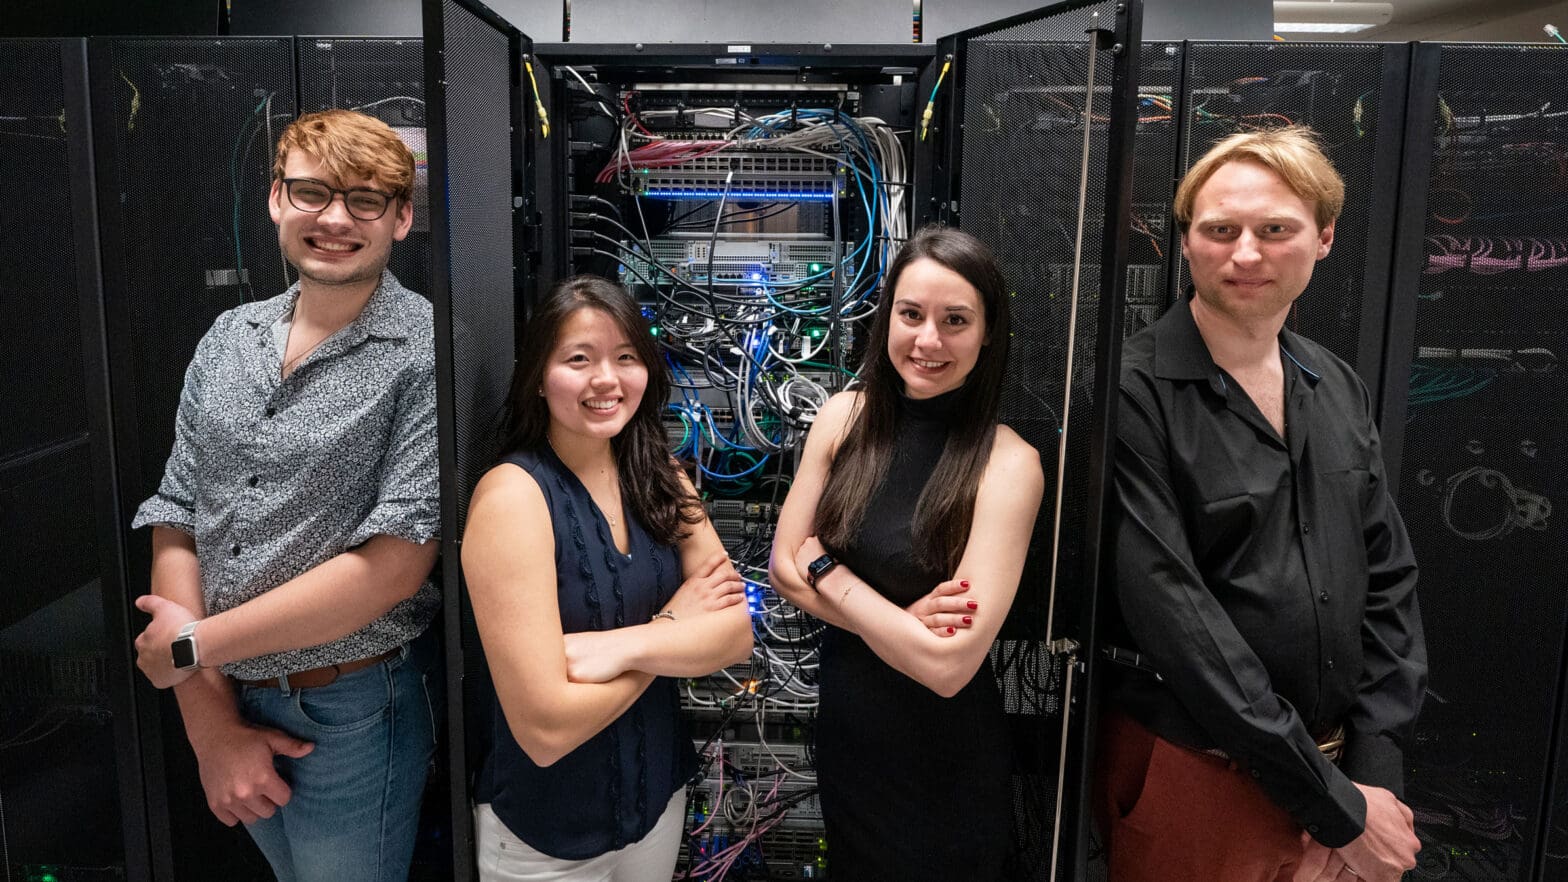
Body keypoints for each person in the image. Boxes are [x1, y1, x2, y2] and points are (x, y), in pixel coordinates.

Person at [1096, 125, 1426, 882]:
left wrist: (1372, 770)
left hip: (1346, 769)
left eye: (1275, 230)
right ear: (1186, 242)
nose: (1246, 253)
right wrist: (1334, 807)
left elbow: (1389, 575)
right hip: (1198, 772)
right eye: (1221, 230)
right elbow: (1178, 620)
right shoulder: (1131, 391)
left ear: (1324, 238)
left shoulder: (1336, 384)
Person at [129, 108, 441, 881]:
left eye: (365, 200)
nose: (335, 218)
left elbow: (393, 568)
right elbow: (178, 516)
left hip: (348, 708)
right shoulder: (228, 337)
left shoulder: (430, 352)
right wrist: (209, 723)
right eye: (312, 193)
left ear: (401, 219)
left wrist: (190, 649)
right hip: (225, 696)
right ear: (276, 200)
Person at [769, 225, 1045, 881]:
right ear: (886, 316)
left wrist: (829, 574)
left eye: (956, 321)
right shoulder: (843, 418)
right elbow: (784, 564)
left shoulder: (1008, 464)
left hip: (946, 762)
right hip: (851, 742)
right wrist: (902, 625)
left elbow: (948, 667)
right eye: (912, 314)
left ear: (987, 334)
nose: (928, 340)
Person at [461, 274, 754, 881]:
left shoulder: (662, 477)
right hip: (544, 839)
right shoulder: (513, 497)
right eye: (579, 359)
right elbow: (545, 729)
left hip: (656, 808)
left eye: (626, 358)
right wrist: (674, 632)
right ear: (539, 377)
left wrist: (621, 646)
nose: (606, 380)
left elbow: (735, 635)